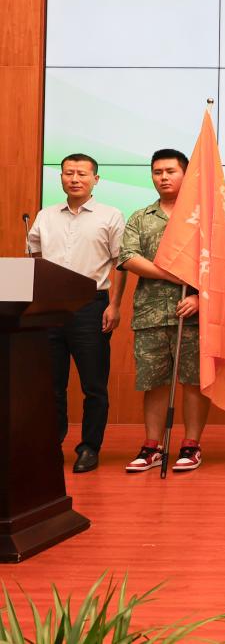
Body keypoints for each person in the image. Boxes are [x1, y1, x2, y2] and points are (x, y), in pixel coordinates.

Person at [27, 153, 126, 474]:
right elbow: (35, 257)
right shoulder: (45, 215)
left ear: (96, 179)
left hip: (91, 305)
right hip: (48, 307)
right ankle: (50, 445)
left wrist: (114, 305)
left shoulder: (111, 216)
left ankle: (89, 447)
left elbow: (120, 263)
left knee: (93, 385)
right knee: (50, 384)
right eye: (68, 173)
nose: (74, 179)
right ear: (60, 177)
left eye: (82, 174)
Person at [118, 149, 208, 473]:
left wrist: (198, 298)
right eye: (157, 172)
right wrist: (173, 275)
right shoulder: (140, 217)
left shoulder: (203, 217)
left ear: (186, 174)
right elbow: (128, 257)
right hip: (151, 314)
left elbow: (217, 264)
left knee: (193, 381)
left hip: (193, 314)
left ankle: (191, 445)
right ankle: (152, 446)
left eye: (171, 171)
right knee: (154, 382)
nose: (164, 177)